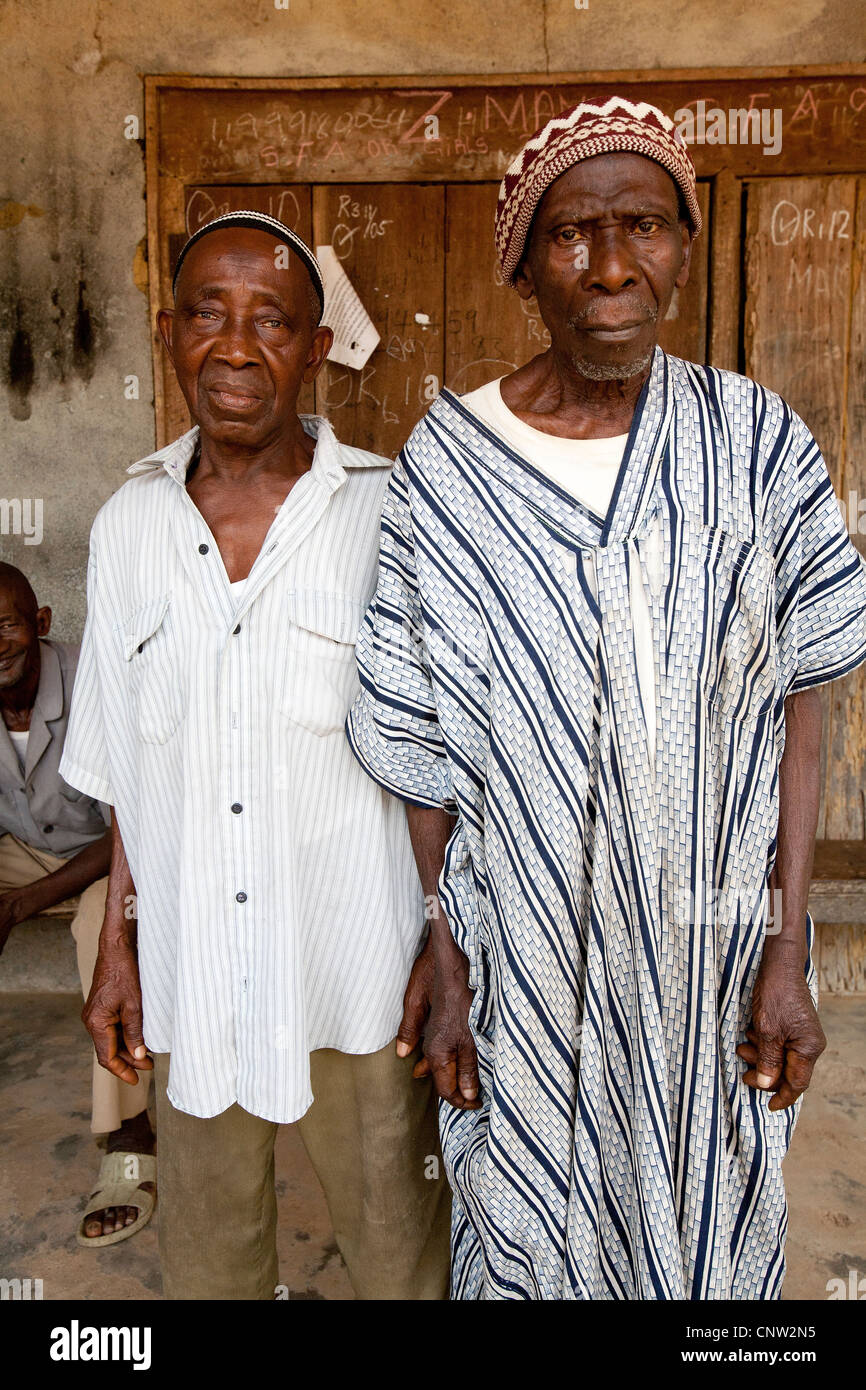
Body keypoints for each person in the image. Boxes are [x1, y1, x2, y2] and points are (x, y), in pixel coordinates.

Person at [346, 97, 866, 1299]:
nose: (612, 265)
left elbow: (801, 707)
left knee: (705, 1231)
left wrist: (790, 948)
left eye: (645, 225)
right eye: (572, 233)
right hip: (522, 947)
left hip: (709, 956)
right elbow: (420, 739)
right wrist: (443, 944)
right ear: (523, 265)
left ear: (685, 244)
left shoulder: (758, 446)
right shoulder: (447, 466)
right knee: (528, 1224)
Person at [60, 211, 450, 1300]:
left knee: (397, 1250)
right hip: (194, 969)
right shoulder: (126, 527)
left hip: (358, 968)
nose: (234, 345)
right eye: (207, 314)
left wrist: (440, 940)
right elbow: (130, 771)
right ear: (169, 331)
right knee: (209, 1255)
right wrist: (120, 946)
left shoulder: (390, 514)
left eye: (270, 318)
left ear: (314, 348)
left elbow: (436, 763)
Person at [0, 562, 155, 1245]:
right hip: (27, 848)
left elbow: (131, 822)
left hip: (115, 856)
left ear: (39, 624)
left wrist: (21, 904)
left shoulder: (92, 680)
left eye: (5, 624)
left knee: (102, 927)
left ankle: (128, 1141)